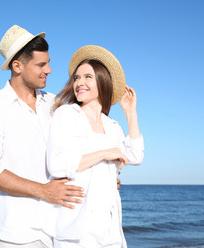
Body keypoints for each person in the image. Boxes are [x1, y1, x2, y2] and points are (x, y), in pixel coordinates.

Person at [0, 25, 85, 248]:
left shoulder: (55, 103)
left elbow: (75, 150)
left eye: (49, 62)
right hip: (18, 234)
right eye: (41, 64)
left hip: (62, 228)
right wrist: (43, 191)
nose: (49, 70)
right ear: (17, 66)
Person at [33, 45, 144, 247]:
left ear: (103, 81)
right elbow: (57, 165)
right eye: (76, 78)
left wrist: (130, 114)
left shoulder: (112, 126)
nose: (79, 83)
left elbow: (135, 156)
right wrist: (104, 153)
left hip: (110, 232)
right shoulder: (66, 115)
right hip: (75, 231)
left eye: (87, 77)